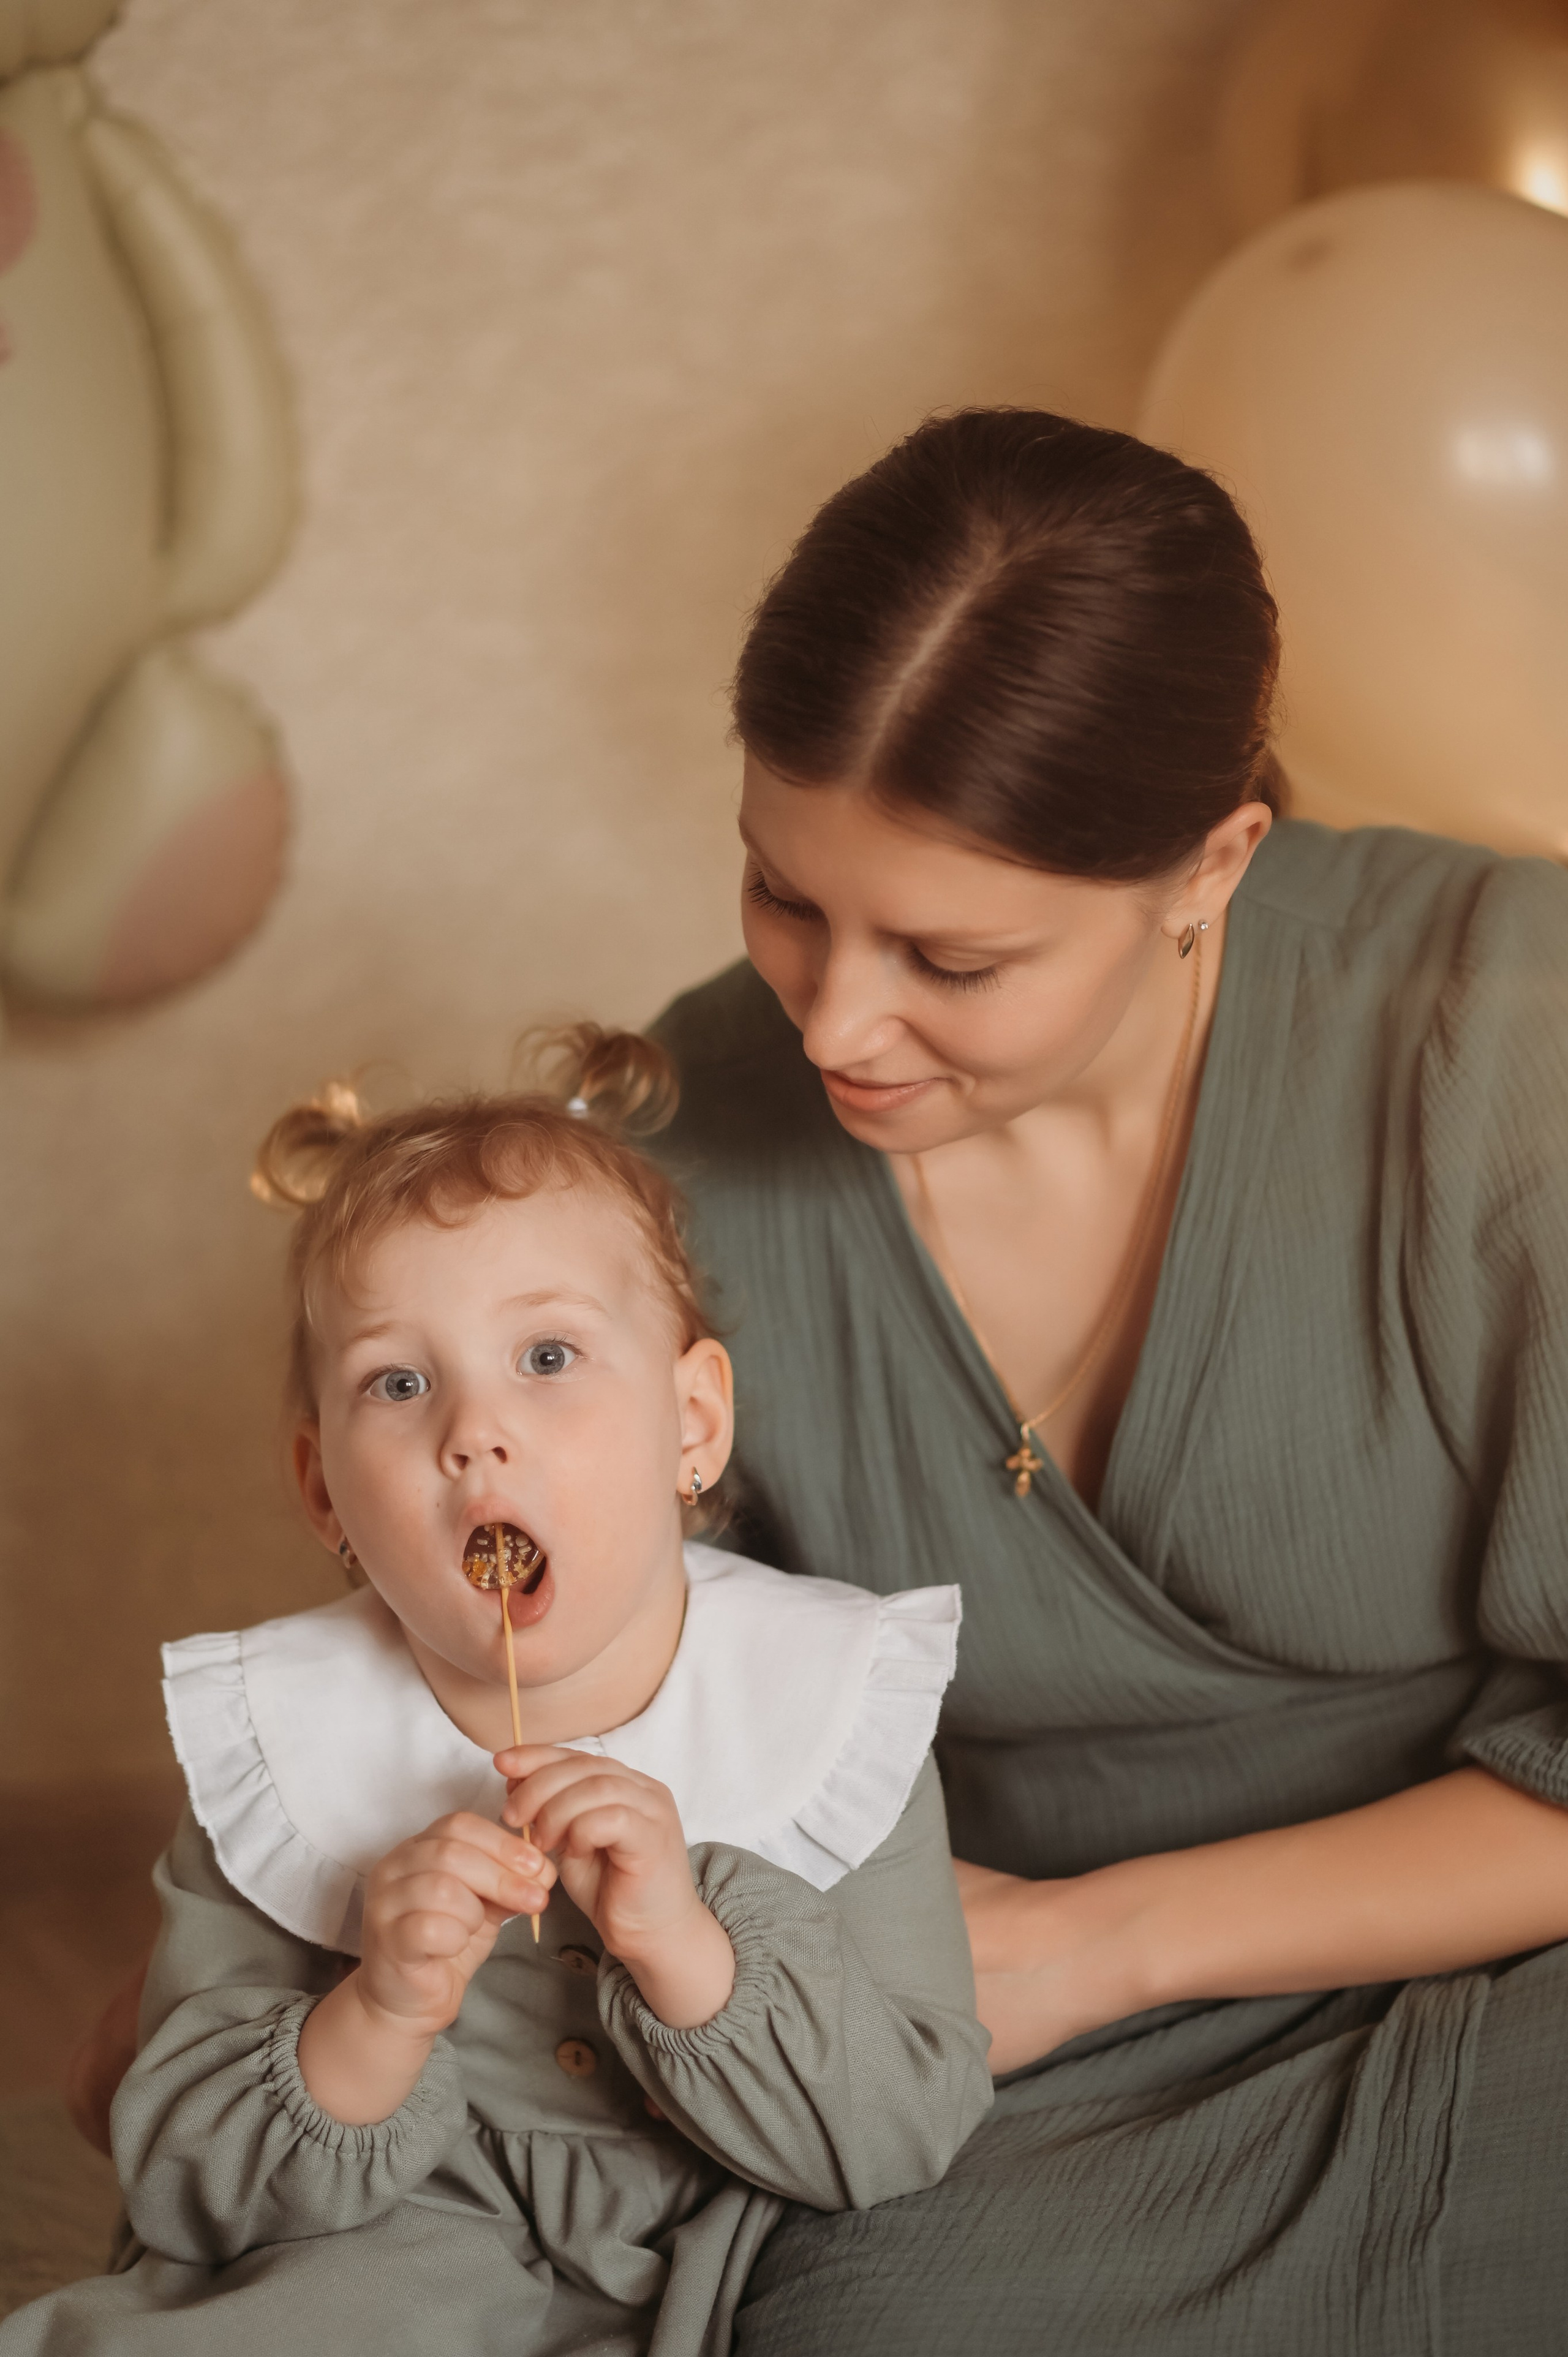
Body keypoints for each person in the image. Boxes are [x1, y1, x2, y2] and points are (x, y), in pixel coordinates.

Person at [645, 407, 1568, 2353]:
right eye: (784, 897)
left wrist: (1101, 1942)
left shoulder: (1511, 1042)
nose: (836, 1022)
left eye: (955, 959)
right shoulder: (687, 1146)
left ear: (1212, 865)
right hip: (1020, 2035)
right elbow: (647, 1700)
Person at [1, 1030, 989, 2357]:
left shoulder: (821, 1699)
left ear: (693, 1425)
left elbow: (901, 2130)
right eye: (399, 1383)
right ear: (325, 1495)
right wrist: (377, 2011)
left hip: (749, 2235)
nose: (472, 1431)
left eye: (548, 1356)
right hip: (390, 2243)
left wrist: (687, 1945)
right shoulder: (287, 1737)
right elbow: (191, 2183)